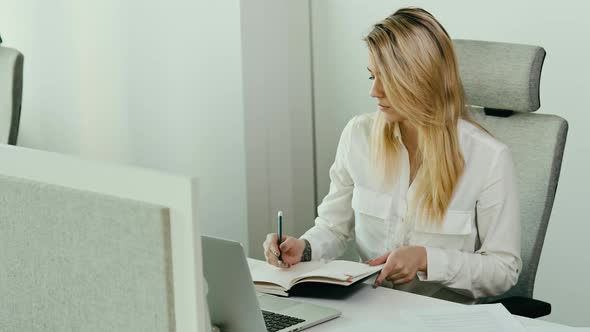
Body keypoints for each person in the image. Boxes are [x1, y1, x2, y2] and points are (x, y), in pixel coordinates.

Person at [263, 7, 521, 303]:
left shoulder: (488, 157)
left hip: (440, 318)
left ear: (422, 79)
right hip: (367, 307)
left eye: (388, 79)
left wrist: (426, 259)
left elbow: (503, 269)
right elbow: (333, 227)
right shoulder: (358, 135)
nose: (374, 91)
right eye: (372, 76)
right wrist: (304, 248)